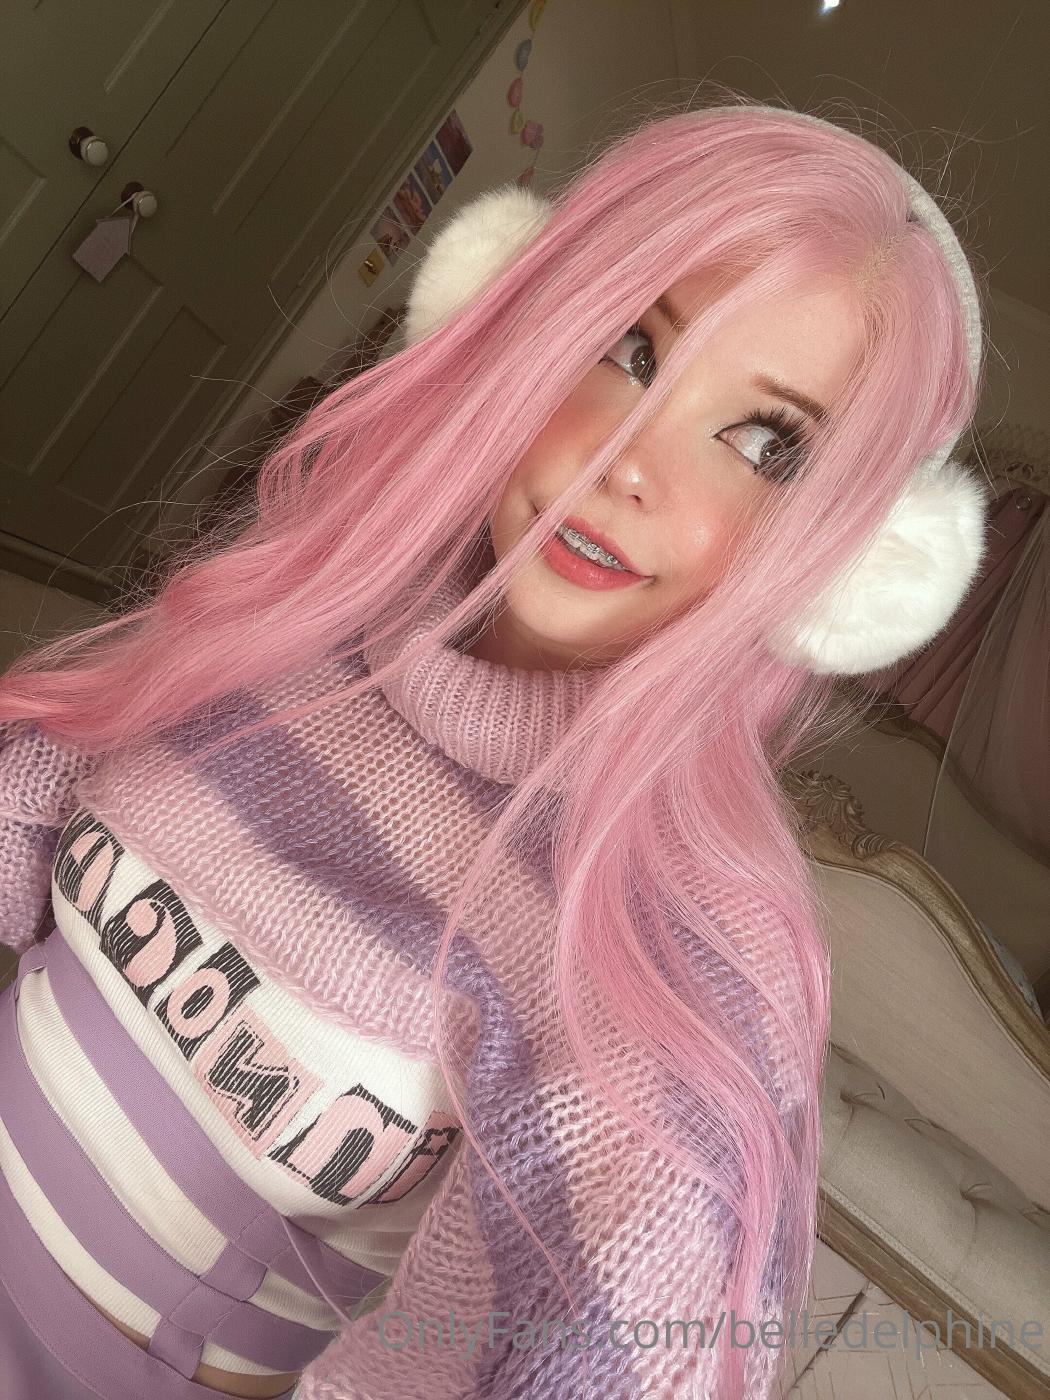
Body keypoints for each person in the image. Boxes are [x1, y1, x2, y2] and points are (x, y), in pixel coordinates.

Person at [0, 99, 988, 1399]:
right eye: (631, 349)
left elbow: (610, 1351)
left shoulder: (678, 946)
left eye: (767, 444)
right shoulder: (298, 624)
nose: (626, 461)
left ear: (849, 566)